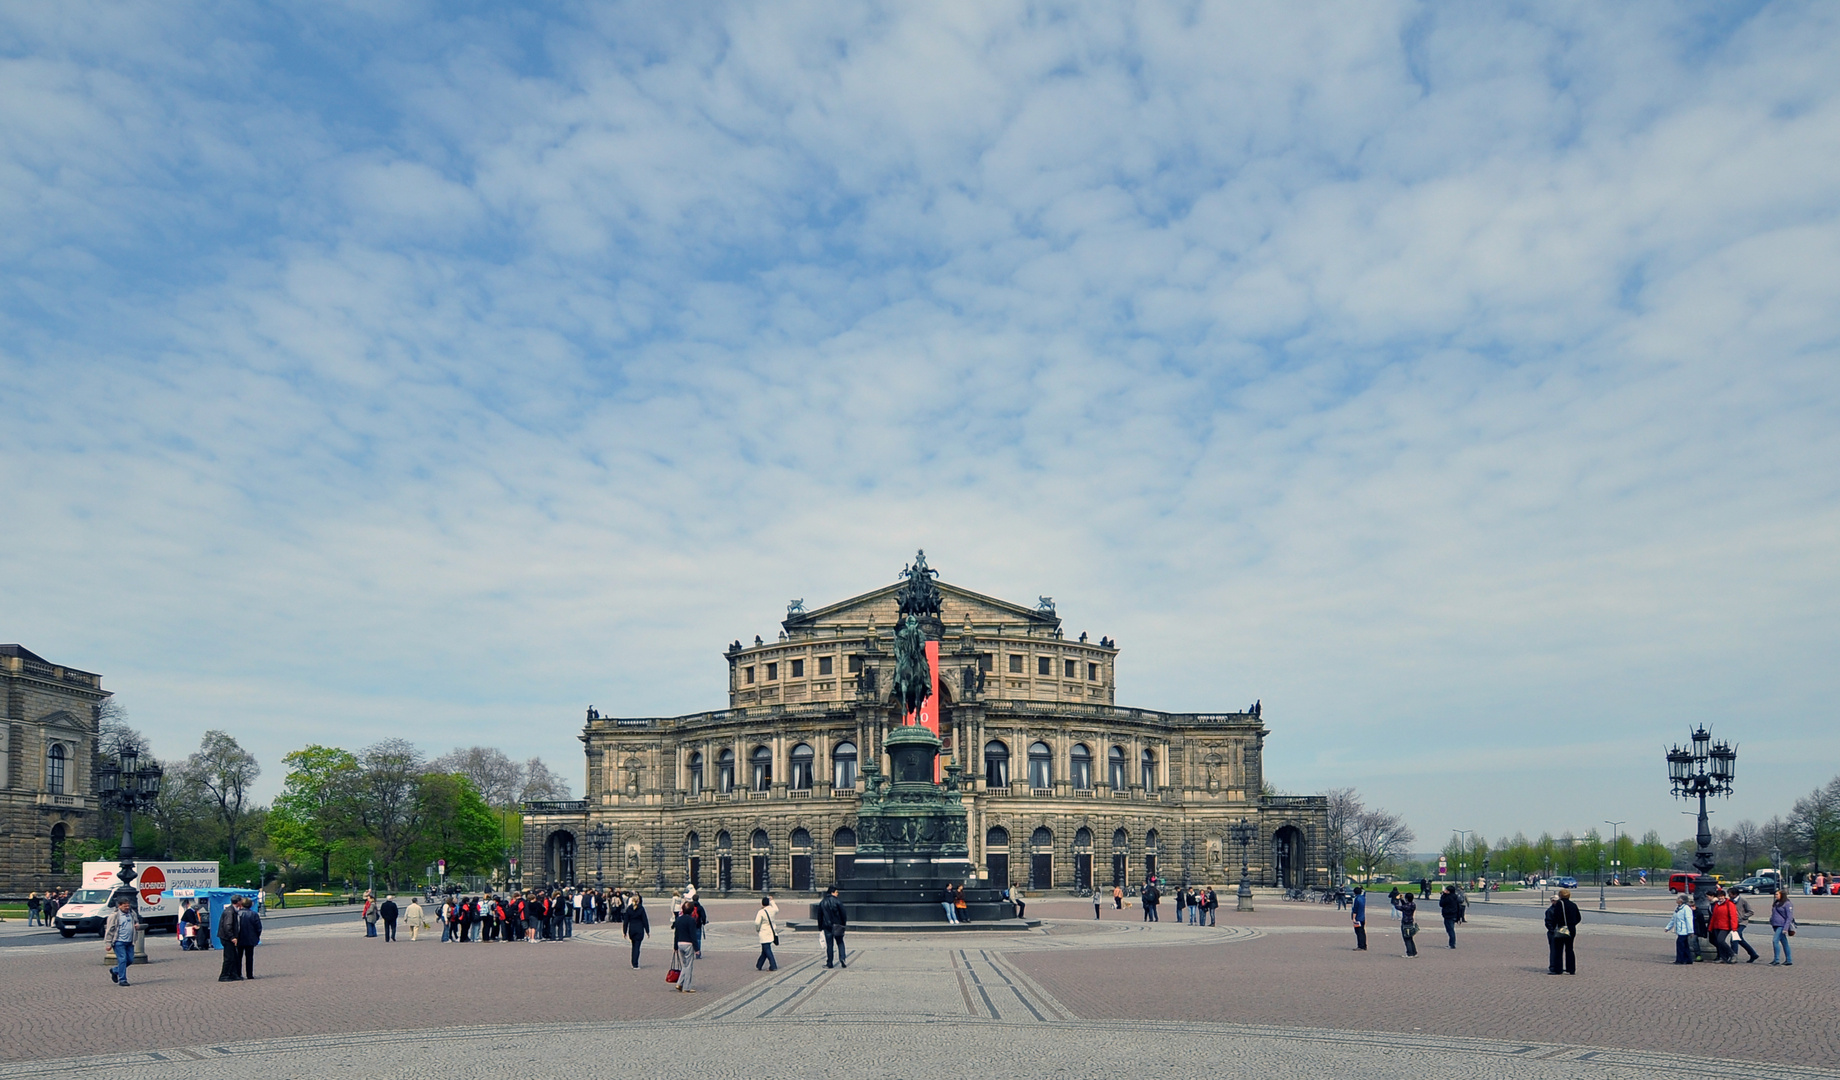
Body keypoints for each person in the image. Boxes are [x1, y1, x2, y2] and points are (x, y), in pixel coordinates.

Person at [103, 898, 140, 987]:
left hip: (130, 941)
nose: (127, 907)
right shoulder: (114, 916)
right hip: (119, 941)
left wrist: (137, 926)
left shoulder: (132, 914)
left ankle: (115, 970)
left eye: (128, 905)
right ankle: (122, 979)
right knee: (122, 960)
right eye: (125, 906)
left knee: (130, 960)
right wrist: (108, 943)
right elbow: (110, 930)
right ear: (119, 906)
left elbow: (136, 922)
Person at [1545, 888, 1581, 974]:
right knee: (1570, 949)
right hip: (1571, 929)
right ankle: (1571, 969)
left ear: (1560, 895)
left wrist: (1554, 927)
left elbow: (1555, 917)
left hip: (1561, 928)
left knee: (1558, 949)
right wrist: (1572, 924)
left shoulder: (1559, 904)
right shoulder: (1573, 905)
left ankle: (1558, 969)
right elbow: (1578, 917)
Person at [817, 884, 848, 969]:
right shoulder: (838, 902)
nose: (837, 894)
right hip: (837, 925)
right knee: (840, 942)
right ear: (832, 892)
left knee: (829, 945)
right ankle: (842, 958)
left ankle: (829, 962)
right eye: (836, 892)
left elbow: (819, 916)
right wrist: (843, 924)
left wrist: (820, 927)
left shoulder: (822, 902)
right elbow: (843, 914)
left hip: (827, 926)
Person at [671, 902, 699, 993]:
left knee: (684, 965)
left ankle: (679, 983)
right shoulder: (691, 920)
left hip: (680, 943)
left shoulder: (678, 919)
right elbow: (693, 935)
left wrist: (675, 946)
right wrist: (697, 948)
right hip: (688, 943)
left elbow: (676, 933)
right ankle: (686, 987)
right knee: (689, 966)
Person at [1708, 890, 1739, 963]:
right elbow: (1714, 917)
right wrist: (1710, 927)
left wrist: (1734, 927)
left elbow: (1733, 916)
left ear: (1724, 896)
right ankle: (1722, 957)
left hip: (1725, 926)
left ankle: (1732, 954)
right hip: (1717, 926)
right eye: (1719, 896)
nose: (1720, 898)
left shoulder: (1729, 904)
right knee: (1718, 942)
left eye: (1721, 896)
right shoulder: (1717, 905)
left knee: (1720, 940)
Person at [236, 896, 261, 979]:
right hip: (250, 938)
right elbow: (258, 927)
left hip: (239, 938)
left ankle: (238, 973)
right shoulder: (254, 914)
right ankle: (249, 974)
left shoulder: (238, 914)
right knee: (249, 957)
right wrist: (256, 937)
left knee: (238, 957)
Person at [218, 899, 243, 981]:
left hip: (228, 937)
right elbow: (227, 926)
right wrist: (232, 937)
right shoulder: (230, 912)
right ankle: (224, 975)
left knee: (234, 957)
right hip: (227, 938)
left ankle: (233, 974)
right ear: (238, 902)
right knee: (229, 958)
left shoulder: (232, 910)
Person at [754, 895, 780, 971]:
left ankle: (773, 965)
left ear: (762, 904)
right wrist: (772, 901)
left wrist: (758, 929)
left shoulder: (761, 912)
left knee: (767, 949)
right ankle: (759, 965)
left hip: (764, 932)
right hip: (771, 932)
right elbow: (777, 909)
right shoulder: (772, 910)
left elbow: (757, 923)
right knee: (764, 950)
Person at [1668, 894, 1696, 964]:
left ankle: (1680, 960)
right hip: (1679, 929)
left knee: (1680, 945)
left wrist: (1690, 931)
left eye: (1678, 898)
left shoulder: (1686, 908)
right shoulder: (1677, 908)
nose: (1676, 900)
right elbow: (1673, 919)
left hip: (1684, 930)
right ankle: (1688, 959)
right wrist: (1668, 927)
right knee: (1685, 945)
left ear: (1681, 900)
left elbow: (1689, 920)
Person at [1768, 889, 1794, 966]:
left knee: (1775, 940)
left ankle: (1777, 959)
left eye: (1777, 894)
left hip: (1782, 925)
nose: (1776, 896)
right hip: (1775, 924)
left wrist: (1786, 928)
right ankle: (1789, 960)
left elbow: (1789, 917)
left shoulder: (1787, 904)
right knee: (1784, 943)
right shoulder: (1777, 903)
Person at [627, 895, 649, 968]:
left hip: (632, 929)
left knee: (634, 947)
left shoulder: (629, 909)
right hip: (639, 929)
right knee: (637, 947)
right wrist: (647, 931)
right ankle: (635, 963)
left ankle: (633, 961)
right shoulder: (641, 909)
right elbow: (645, 920)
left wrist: (624, 931)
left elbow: (626, 921)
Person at [1438, 885, 1463, 949]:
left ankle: (1452, 944)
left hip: (1448, 915)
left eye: (1446, 890)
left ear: (1449, 891)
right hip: (1454, 915)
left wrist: (1443, 895)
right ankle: (1452, 943)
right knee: (1451, 929)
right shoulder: (1455, 897)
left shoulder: (1448, 898)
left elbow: (1441, 904)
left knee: (1450, 930)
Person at [1398, 891, 1418, 957]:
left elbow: (1398, 907)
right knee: (1410, 938)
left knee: (1406, 938)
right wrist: (1402, 900)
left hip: (1405, 922)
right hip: (1411, 922)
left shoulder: (1406, 906)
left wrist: (1396, 899)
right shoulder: (1413, 904)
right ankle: (1414, 952)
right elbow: (1405, 905)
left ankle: (1409, 953)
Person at [1350, 886, 1367, 951]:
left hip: (1358, 918)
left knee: (1358, 932)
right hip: (1362, 917)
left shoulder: (1356, 899)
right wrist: (1362, 888)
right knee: (1362, 932)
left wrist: (1353, 918)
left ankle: (1360, 946)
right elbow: (1364, 892)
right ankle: (1364, 945)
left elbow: (1355, 909)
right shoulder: (1363, 898)